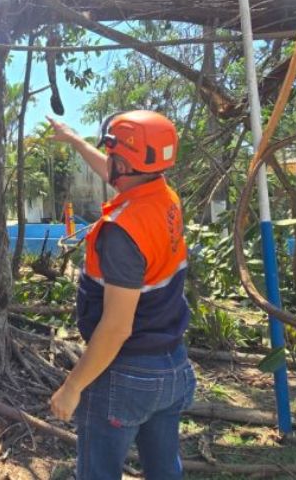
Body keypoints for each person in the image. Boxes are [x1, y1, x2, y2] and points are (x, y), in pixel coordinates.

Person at [47, 111, 196, 480]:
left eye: (111, 153)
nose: (108, 161)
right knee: (165, 472)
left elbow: (116, 327)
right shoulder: (164, 197)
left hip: (127, 374)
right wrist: (77, 141)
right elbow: (119, 174)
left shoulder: (121, 232)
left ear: (124, 162)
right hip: (172, 366)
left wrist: (72, 387)